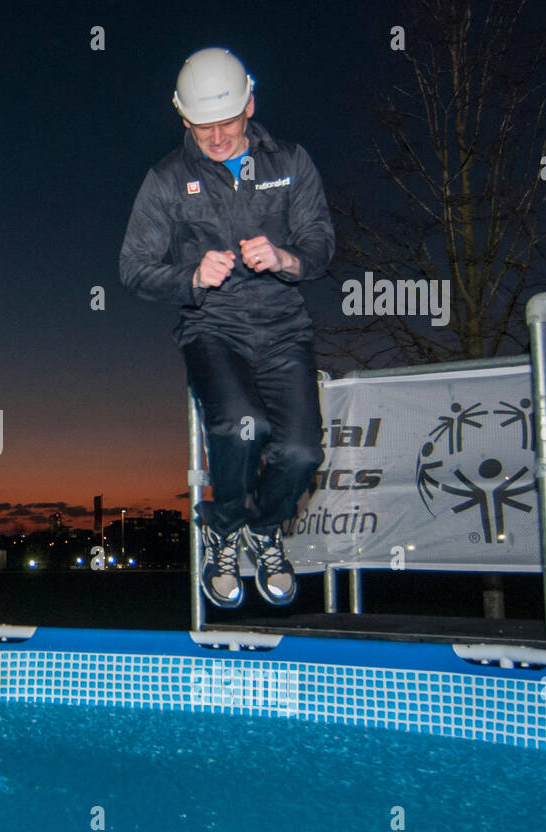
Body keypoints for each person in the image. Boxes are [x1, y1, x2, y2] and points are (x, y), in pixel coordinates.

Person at [119, 47, 334, 608]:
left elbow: (321, 244)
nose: (215, 138)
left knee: (302, 453)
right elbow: (133, 268)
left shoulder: (291, 161)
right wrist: (191, 276)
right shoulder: (167, 178)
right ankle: (222, 531)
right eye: (200, 125)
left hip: (285, 327)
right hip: (213, 328)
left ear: (250, 104)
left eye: (227, 122)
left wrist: (286, 259)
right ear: (182, 117)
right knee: (243, 424)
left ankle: (262, 531)